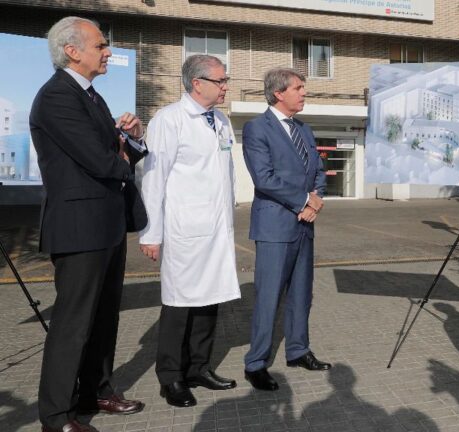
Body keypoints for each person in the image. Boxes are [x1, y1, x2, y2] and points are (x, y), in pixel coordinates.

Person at [30, 16, 147, 432]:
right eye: (101, 45)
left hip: (106, 224)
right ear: (72, 51)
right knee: (73, 325)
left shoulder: (91, 96)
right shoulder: (57, 96)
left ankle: (96, 392)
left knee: (103, 319)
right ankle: (56, 416)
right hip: (79, 227)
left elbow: (117, 154)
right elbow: (99, 160)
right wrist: (119, 153)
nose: (108, 51)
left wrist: (131, 137)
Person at [138, 54, 241, 408]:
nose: (226, 86)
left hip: (216, 229)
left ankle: (199, 367)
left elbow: (225, 174)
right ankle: (171, 378)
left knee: (209, 300)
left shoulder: (221, 120)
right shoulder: (169, 120)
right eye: (220, 80)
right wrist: (151, 232)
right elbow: (153, 179)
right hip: (184, 229)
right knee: (179, 304)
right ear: (197, 83)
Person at [241, 67, 330, 391]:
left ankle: (298, 350)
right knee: (268, 297)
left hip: (304, 226)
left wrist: (315, 198)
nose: (304, 92)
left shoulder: (304, 129)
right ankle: (256, 364)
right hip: (275, 226)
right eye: (299, 87)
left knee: (301, 295)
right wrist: (305, 200)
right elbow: (264, 178)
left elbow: (318, 169)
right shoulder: (256, 129)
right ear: (279, 93)